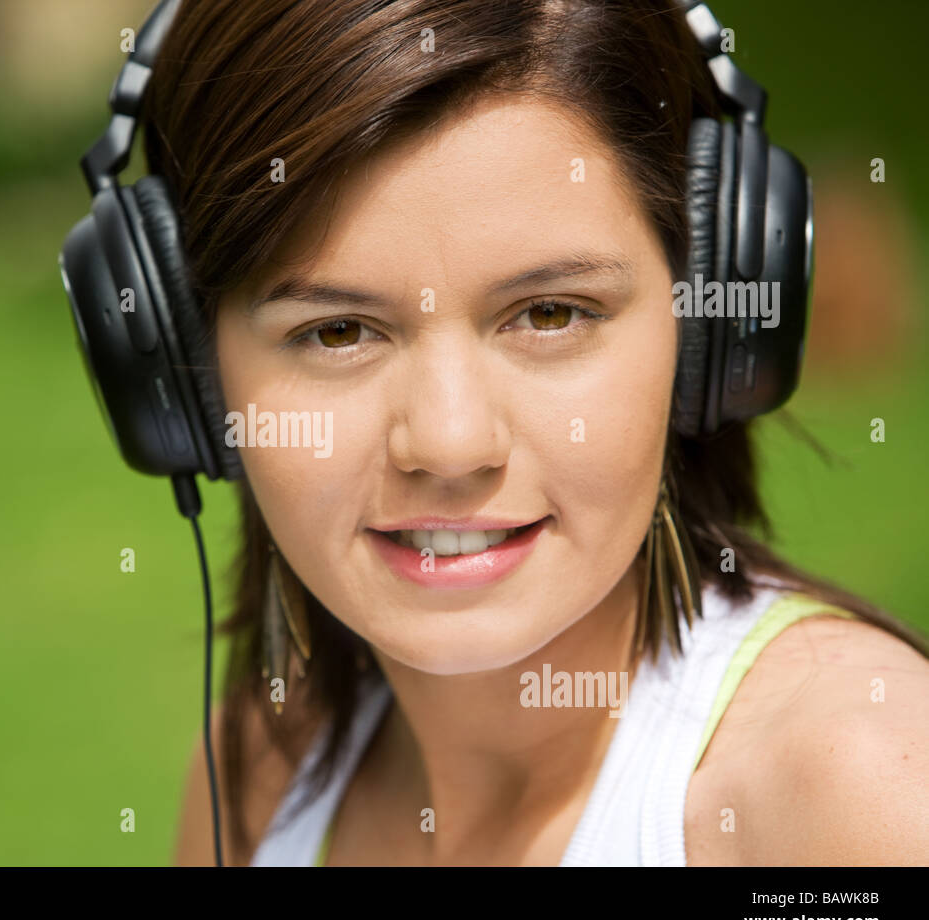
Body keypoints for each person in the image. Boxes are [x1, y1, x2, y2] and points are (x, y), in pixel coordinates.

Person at [130, 0, 929, 865]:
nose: (447, 442)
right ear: (189, 372)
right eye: (338, 331)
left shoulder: (857, 802)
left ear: (706, 333)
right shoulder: (257, 778)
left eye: (549, 313)